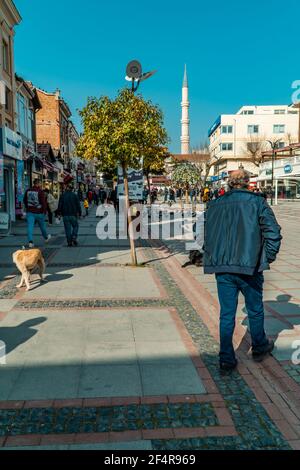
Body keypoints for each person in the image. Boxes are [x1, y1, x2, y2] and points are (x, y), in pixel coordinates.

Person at [203, 169, 282, 373]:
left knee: (226, 314)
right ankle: (259, 346)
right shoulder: (257, 203)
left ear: (229, 183)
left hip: (224, 267)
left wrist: (213, 254)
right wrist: (267, 257)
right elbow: (273, 232)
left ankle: (226, 358)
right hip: (249, 266)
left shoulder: (214, 204)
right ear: (247, 182)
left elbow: (206, 233)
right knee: (255, 309)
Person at [23, 179, 51, 248]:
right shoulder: (40, 191)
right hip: (39, 212)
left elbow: (24, 200)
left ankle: (30, 242)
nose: (41, 185)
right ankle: (46, 237)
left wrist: (28, 207)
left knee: (30, 227)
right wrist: (44, 211)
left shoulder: (28, 191)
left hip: (30, 212)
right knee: (42, 227)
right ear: (38, 184)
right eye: (40, 183)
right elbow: (43, 203)